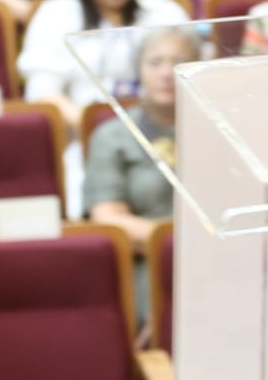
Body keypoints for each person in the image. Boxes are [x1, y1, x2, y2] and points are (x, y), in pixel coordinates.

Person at [18, 0, 189, 217]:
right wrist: (102, 126)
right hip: (86, 142)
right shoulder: (55, 15)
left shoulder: (165, 12)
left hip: (167, 138)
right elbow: (43, 96)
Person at [84, 27, 196, 318]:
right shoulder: (113, 136)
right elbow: (108, 219)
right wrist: (179, 243)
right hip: (147, 262)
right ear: (139, 70)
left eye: (178, 62)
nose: (166, 73)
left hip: (221, 259)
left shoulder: (218, 131)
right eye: (155, 62)